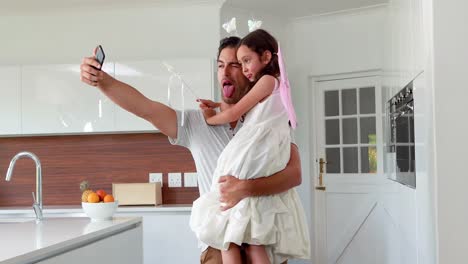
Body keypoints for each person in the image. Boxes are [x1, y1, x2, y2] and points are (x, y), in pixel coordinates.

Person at [79, 36, 303, 264]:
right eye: (220, 65)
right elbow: (145, 108)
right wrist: (102, 81)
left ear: (250, 70)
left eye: (236, 64)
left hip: (263, 241)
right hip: (220, 246)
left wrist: (245, 188)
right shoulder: (197, 123)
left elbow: (295, 175)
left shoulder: (269, 120)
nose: (226, 72)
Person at [190, 29, 310, 264]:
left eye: (244, 62)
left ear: (265, 58)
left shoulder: (266, 81)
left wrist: (210, 117)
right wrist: (217, 105)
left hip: (252, 156)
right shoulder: (277, 88)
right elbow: (247, 106)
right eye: (222, 65)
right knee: (251, 242)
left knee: (228, 235)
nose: (244, 69)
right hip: (264, 157)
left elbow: (237, 110)